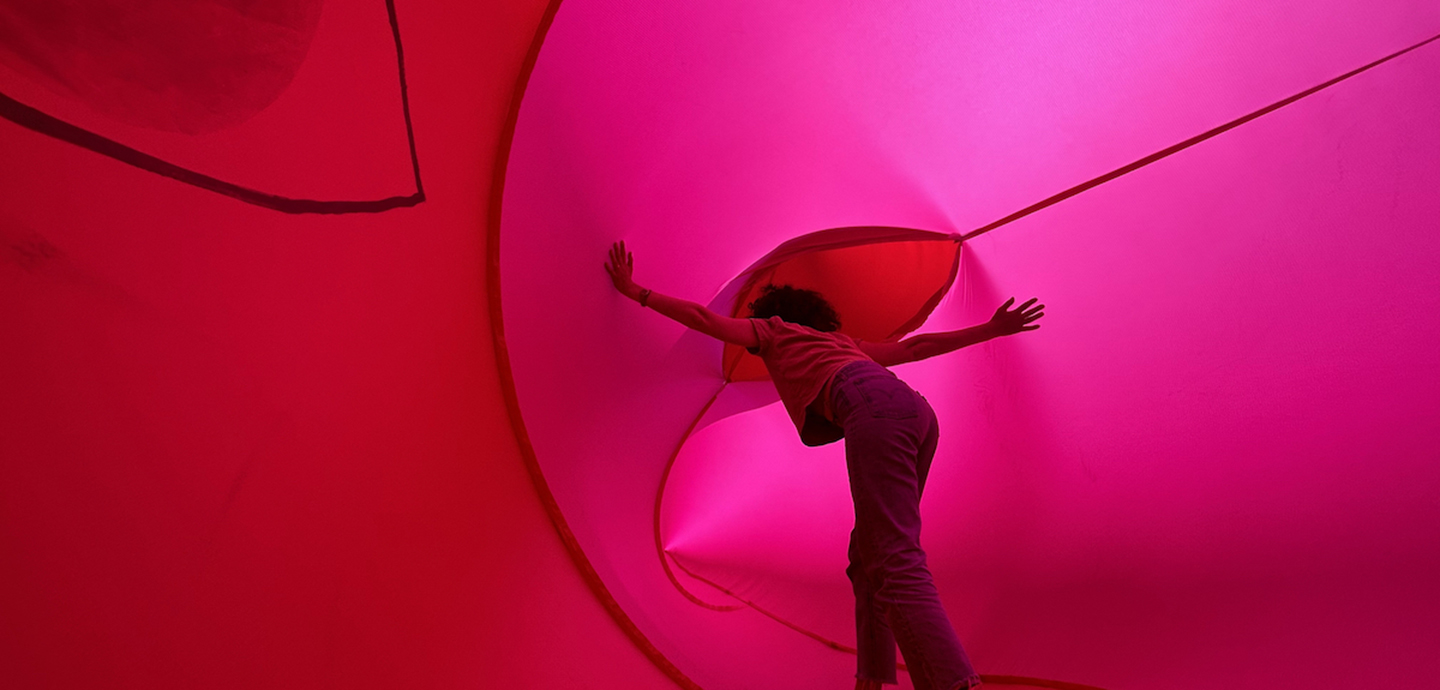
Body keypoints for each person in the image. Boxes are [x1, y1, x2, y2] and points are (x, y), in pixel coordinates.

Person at [604, 241, 1044, 690]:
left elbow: (704, 321)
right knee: (867, 557)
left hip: (869, 405)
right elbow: (916, 348)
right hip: (916, 413)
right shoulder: (841, 341)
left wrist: (637, 291)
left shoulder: (771, 330)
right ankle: (873, 680)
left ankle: (952, 682)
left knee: (895, 556)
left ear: (775, 313)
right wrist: (990, 329)